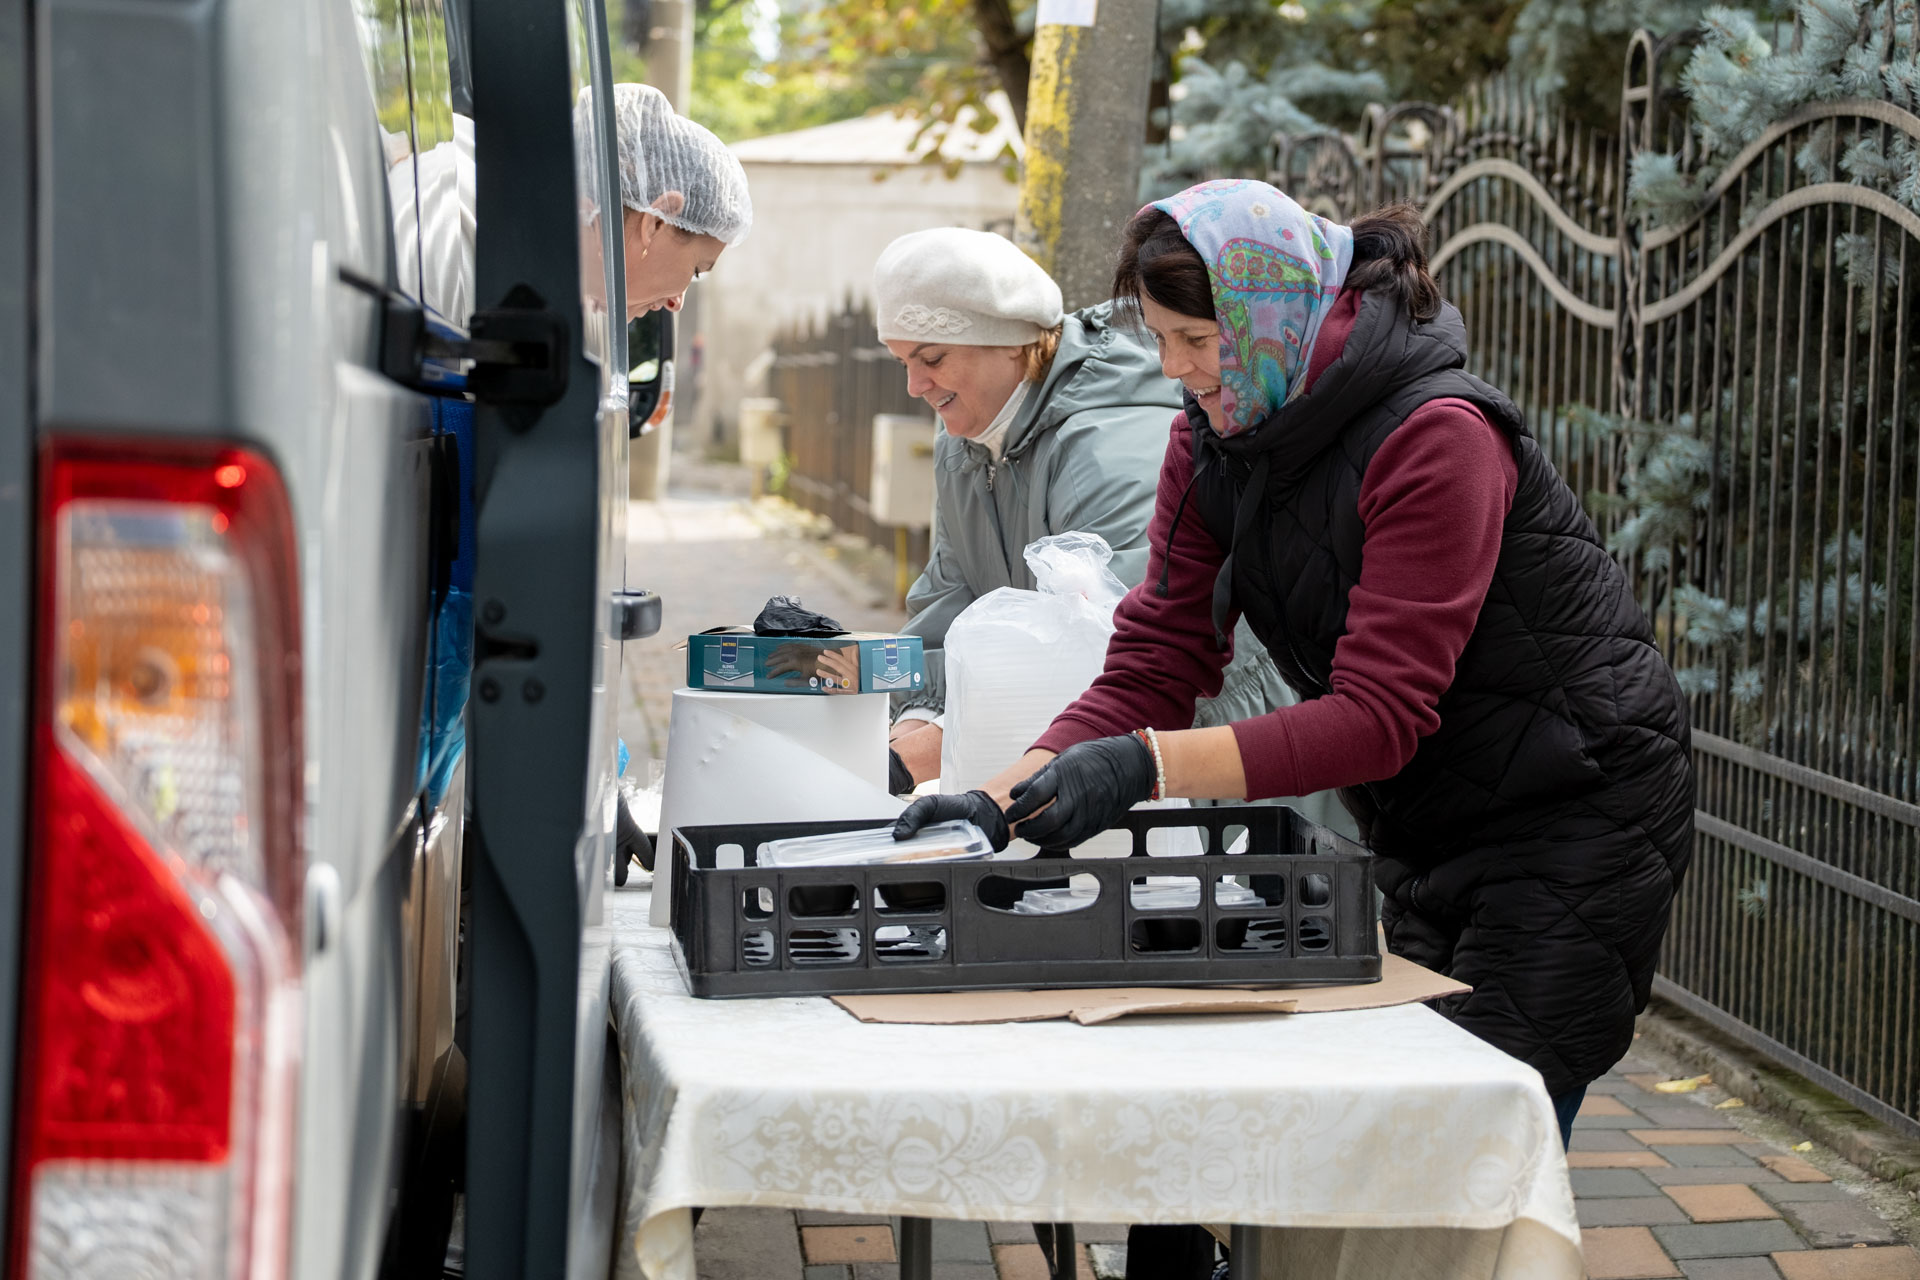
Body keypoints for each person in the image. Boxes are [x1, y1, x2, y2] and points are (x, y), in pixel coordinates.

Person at [897, 179, 1695, 1160]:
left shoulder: (1437, 436)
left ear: (1271, 310)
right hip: (1429, 811)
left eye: (1199, 339)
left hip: (1576, 807)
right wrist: (1001, 791)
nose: (1176, 369)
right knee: (1388, 1135)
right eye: (1160, 338)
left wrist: (1144, 767)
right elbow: (1158, 652)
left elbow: (1378, 714)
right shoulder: (1220, 430)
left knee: (1469, 1147)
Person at [871, 227, 1294, 799]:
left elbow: (1113, 644)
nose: (914, 385)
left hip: (1203, 742)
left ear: (1010, 341)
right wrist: (915, 725)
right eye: (902, 361)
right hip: (1076, 743)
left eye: (932, 358)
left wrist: (929, 749)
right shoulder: (964, 446)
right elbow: (950, 602)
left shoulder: (1102, 443)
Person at [392, 81, 751, 327]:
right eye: (697, 270)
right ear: (655, 221)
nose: (676, 302)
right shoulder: (479, 247)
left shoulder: (492, 184)